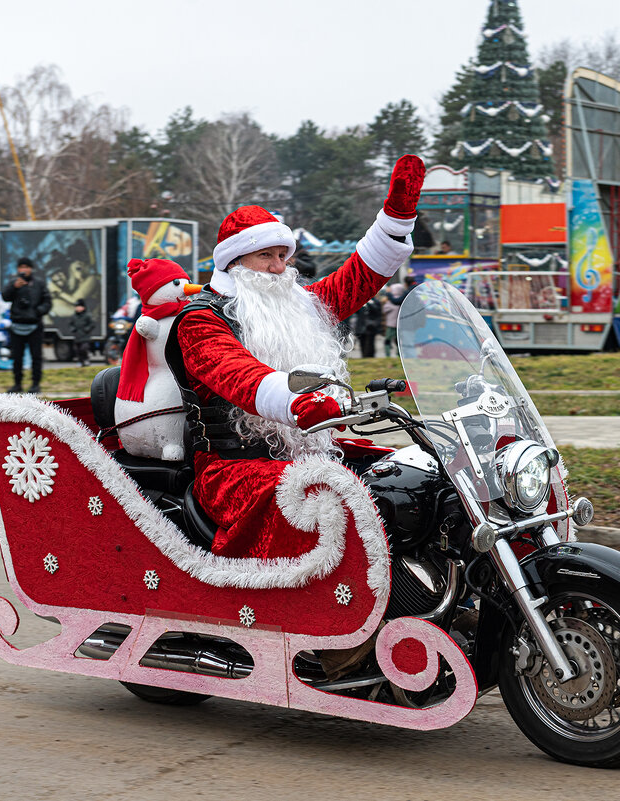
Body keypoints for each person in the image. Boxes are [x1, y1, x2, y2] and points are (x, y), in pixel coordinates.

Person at [163, 154, 425, 564]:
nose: (279, 268)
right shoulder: (201, 319)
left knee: (412, 477)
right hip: (231, 468)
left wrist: (395, 220)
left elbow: (358, 278)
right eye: (267, 256)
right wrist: (296, 400)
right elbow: (237, 375)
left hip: (306, 452)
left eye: (284, 256)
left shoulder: (298, 305)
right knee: (326, 493)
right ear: (235, 262)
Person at [1, 257, 52, 394]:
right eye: (21, 267)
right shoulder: (14, 282)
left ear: (31, 269)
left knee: (36, 356)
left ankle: (35, 384)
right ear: (18, 269)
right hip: (17, 324)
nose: (24, 270)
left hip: (35, 325)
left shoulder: (39, 284)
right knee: (17, 357)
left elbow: (47, 302)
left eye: (26, 267)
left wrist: (37, 312)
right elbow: (5, 297)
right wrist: (14, 287)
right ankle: (17, 384)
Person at [350, 291, 383, 358]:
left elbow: (377, 311)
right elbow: (356, 312)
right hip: (361, 325)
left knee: (370, 343)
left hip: (371, 326)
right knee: (362, 343)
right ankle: (364, 356)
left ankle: (369, 357)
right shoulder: (361, 301)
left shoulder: (375, 301)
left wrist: (369, 304)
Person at [69, 300, 93, 367]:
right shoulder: (74, 316)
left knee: (84, 348)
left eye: (80, 307)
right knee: (77, 350)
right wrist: (73, 329)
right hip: (77, 336)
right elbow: (71, 324)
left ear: (83, 307)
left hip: (85, 336)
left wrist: (87, 329)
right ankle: (80, 361)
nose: (78, 308)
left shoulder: (87, 315)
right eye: (77, 307)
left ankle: (86, 359)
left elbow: (92, 324)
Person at [381, 284, 403, 358]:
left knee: (387, 340)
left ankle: (388, 355)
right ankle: (398, 354)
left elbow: (385, 309)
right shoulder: (402, 299)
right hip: (399, 324)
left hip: (391, 324)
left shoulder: (391, 300)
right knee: (398, 341)